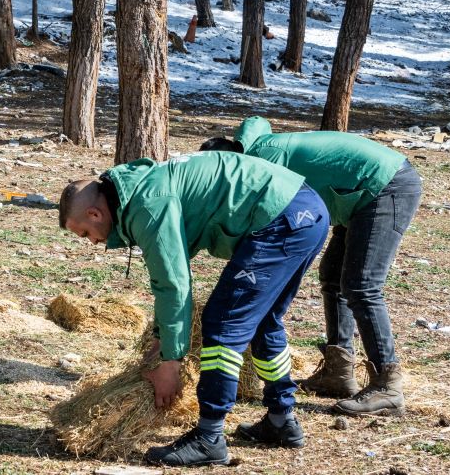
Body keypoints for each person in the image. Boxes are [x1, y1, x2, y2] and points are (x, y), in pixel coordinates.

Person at [58, 152, 329, 467]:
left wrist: (170, 364)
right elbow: (168, 277)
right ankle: (282, 419)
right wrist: (161, 339)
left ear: (94, 213)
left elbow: (174, 284)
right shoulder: (140, 189)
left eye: (85, 234)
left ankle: (209, 438)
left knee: (223, 322)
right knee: (263, 321)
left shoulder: (147, 205)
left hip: (282, 220)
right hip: (305, 212)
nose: (91, 242)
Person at [200, 116, 422, 417]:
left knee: (362, 285)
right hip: (356, 195)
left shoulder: (262, 164)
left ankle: (388, 385)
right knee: (332, 277)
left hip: (384, 185)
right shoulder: (257, 151)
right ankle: (339, 371)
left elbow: (273, 230)